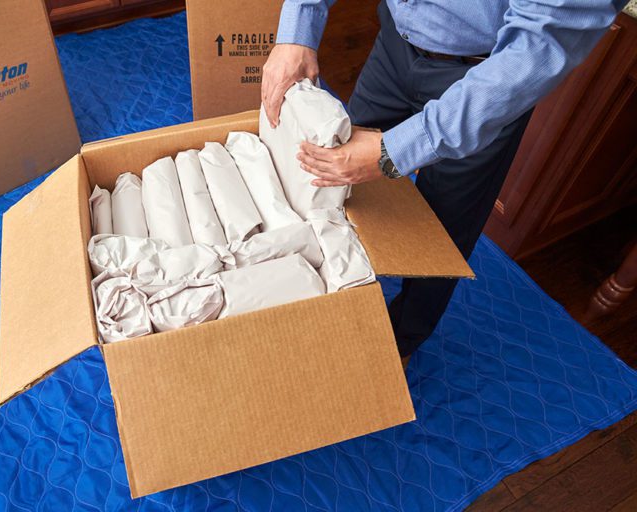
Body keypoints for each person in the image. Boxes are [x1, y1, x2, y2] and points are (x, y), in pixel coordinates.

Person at [262, 0, 627, 363]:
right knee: (339, 188)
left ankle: (401, 342)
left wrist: (393, 152)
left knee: (445, 230)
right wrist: (298, 29)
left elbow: (541, 45)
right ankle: (338, 302)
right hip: (395, 42)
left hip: (488, 79)